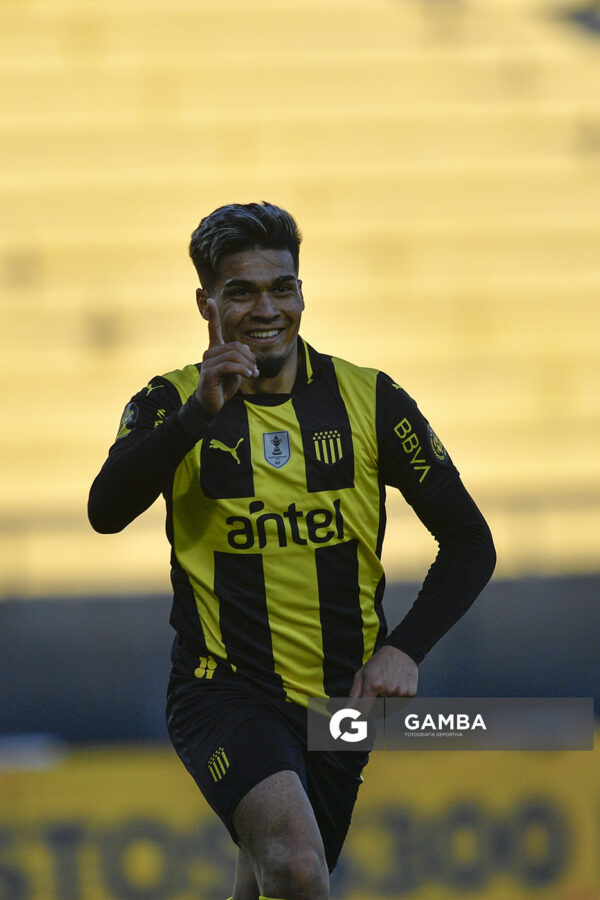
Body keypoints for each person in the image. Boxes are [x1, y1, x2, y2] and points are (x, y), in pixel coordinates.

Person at [88, 202, 496, 900]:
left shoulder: (371, 401)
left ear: (302, 292)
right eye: (241, 292)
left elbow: (469, 542)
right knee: (298, 866)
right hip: (225, 688)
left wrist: (405, 648)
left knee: (268, 878)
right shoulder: (171, 402)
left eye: (283, 287)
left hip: (340, 706)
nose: (266, 308)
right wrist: (196, 420)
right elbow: (106, 511)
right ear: (206, 304)